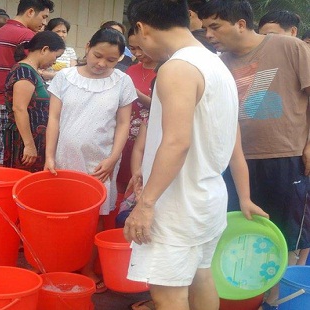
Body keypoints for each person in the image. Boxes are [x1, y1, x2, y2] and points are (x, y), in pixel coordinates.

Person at [123, 1, 267, 309]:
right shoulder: (217, 66)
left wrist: (146, 204)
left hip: (178, 203)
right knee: (202, 278)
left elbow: (177, 143)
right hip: (208, 198)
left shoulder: (178, 68)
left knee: (168, 294)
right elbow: (225, 141)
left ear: (142, 28)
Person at [200, 1, 310, 308]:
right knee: (239, 229)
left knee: (285, 233)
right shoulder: (218, 62)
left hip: (284, 155)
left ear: (240, 23)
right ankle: (245, 297)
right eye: (205, 27)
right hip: (232, 160)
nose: (209, 34)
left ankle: (278, 301)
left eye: (215, 26)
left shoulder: (288, 47)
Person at [45, 27, 136, 293]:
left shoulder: (122, 81)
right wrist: (49, 156)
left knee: (94, 216)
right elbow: (54, 118)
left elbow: (123, 124)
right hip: (65, 158)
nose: (101, 64)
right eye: (97, 56)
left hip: (101, 162)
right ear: (87, 46)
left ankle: (86, 267)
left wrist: (113, 158)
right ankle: (62, 263)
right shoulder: (65, 77)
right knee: (65, 214)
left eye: (110, 60)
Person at [0, 0, 54, 166]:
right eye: (44, 16)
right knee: (17, 154)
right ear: (30, 12)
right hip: (15, 102)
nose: (44, 23)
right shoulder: (27, 36)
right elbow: (30, 68)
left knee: (0, 149)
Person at [3, 31, 65, 172]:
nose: (55, 61)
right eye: (56, 56)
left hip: (33, 139)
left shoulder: (32, 71)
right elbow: (19, 109)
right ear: (44, 49)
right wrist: (29, 145)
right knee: (21, 182)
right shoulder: (24, 72)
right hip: (23, 141)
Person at [115, 27, 157, 203]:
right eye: (132, 48)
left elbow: (163, 107)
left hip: (149, 137)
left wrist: (139, 95)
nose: (138, 53)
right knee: (120, 183)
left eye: (141, 47)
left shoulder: (165, 71)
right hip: (126, 136)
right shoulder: (130, 70)